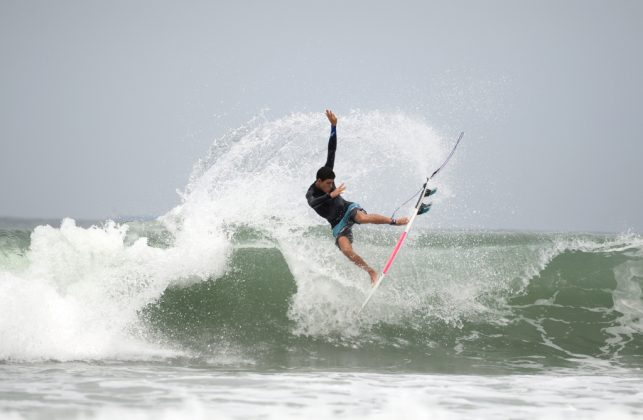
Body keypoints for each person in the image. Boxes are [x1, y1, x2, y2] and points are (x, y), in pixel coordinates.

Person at [305, 110, 410, 285]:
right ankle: (371, 271)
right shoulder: (311, 194)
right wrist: (331, 195)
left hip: (348, 209)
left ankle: (395, 222)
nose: (331, 185)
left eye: (333, 182)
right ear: (319, 181)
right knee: (346, 250)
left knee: (362, 217)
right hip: (337, 225)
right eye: (328, 183)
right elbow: (313, 203)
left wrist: (333, 127)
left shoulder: (327, 176)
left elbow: (331, 151)